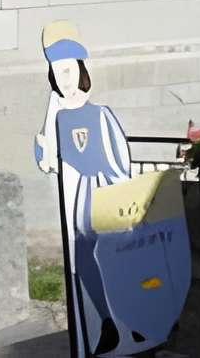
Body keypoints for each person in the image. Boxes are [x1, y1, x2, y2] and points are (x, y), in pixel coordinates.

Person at [34, 20, 132, 354]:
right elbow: (48, 160)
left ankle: (125, 323)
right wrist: (51, 113)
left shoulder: (101, 114)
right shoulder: (58, 117)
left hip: (103, 199)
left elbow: (118, 160)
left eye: (68, 70)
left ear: (80, 69)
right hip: (76, 205)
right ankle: (105, 324)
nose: (64, 79)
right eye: (57, 72)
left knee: (110, 259)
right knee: (84, 263)